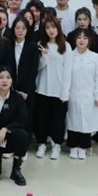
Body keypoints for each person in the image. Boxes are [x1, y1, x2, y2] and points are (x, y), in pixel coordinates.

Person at [34, 14, 72, 160]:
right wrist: (45, 55)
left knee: (58, 120)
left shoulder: (66, 46)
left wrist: (65, 92)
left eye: (53, 27)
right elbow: (37, 68)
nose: (51, 30)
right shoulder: (41, 44)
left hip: (58, 90)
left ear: (58, 28)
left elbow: (67, 71)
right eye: (48, 28)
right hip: (42, 89)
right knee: (41, 119)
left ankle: (56, 145)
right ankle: (42, 144)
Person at [64, 29, 98, 160]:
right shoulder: (69, 56)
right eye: (79, 37)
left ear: (89, 41)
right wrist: (64, 94)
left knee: (86, 122)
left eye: (85, 38)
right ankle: (73, 146)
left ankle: (83, 147)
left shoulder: (95, 57)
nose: (82, 40)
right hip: (73, 94)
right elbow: (65, 76)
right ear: (75, 40)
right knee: (73, 121)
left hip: (89, 95)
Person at [10, 17, 39, 135]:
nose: (20, 31)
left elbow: (33, 71)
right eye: (17, 28)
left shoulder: (32, 47)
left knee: (26, 116)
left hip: (27, 90)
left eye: (23, 28)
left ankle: (25, 142)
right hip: (10, 88)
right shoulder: (8, 44)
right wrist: (12, 89)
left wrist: (25, 91)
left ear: (27, 30)